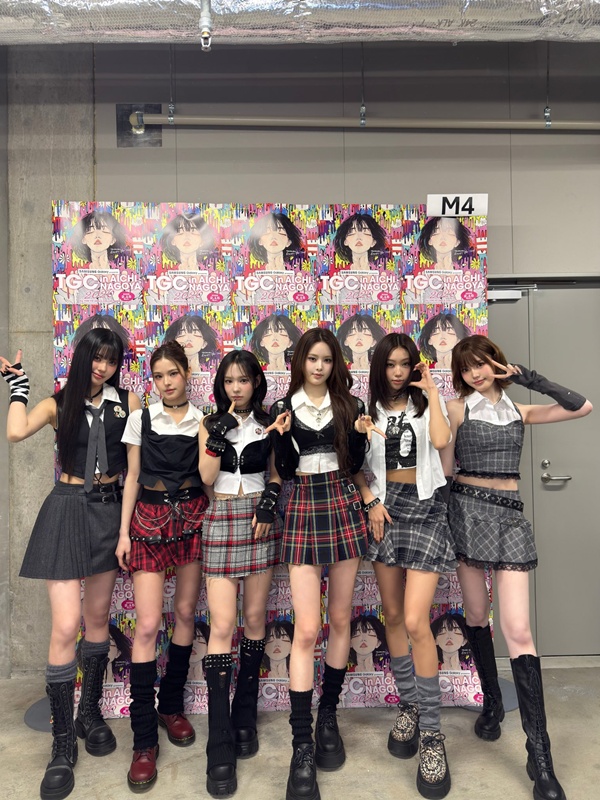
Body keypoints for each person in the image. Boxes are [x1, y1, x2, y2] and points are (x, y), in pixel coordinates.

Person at [442, 335, 592, 800]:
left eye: (481, 363)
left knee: (519, 630)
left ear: (497, 363)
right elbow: (445, 470)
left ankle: (539, 755)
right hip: (466, 512)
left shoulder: (518, 409)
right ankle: (491, 702)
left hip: (509, 518)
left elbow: (582, 406)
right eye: (465, 368)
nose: (475, 373)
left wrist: (530, 378)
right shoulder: (455, 409)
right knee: (475, 614)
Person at [1, 328, 140, 800]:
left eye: (111, 360)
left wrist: (125, 529)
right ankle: (62, 742)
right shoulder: (58, 404)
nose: (103, 367)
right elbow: (15, 431)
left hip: (108, 511)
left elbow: (134, 470)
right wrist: (18, 388)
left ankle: (90, 713)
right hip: (65, 507)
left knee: (98, 618)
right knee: (65, 626)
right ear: (82, 358)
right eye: (96, 358)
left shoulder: (128, 403)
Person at [269, 327, 369, 800]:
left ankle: (328, 715)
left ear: (335, 364)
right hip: (303, 503)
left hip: (342, 501)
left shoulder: (350, 406)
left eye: (327, 359)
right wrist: (283, 438)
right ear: (300, 362)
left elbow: (355, 463)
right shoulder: (283, 408)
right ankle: (301, 744)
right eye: (312, 359)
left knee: (341, 619)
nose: (319, 367)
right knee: (307, 629)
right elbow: (286, 470)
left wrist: (361, 437)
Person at [354, 332, 454, 800]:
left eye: (404, 364)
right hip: (385, 510)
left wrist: (431, 391)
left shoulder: (426, 401)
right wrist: (370, 500)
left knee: (416, 621)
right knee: (393, 616)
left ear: (415, 365)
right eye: (390, 365)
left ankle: (432, 734)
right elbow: (354, 464)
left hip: (427, 507)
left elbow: (441, 441)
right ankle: (410, 707)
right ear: (380, 367)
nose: (397, 372)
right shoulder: (367, 408)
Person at [117, 341, 209, 792]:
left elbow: (210, 479)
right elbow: (132, 476)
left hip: (192, 518)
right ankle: (142, 740)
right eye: (158, 376)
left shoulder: (203, 420)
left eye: (173, 373)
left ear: (187, 373)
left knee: (186, 613)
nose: (166, 382)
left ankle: (170, 706)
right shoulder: (142, 417)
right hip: (149, 520)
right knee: (149, 625)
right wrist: (123, 533)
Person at [199, 349, 283, 798]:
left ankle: (245, 711)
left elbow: (277, 474)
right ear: (222, 385)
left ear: (256, 383)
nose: (236, 388)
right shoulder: (209, 423)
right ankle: (219, 739)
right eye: (229, 381)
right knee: (222, 624)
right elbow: (206, 476)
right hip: (221, 517)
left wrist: (269, 501)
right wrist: (219, 434)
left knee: (253, 619)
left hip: (258, 520)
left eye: (244, 380)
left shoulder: (270, 423)